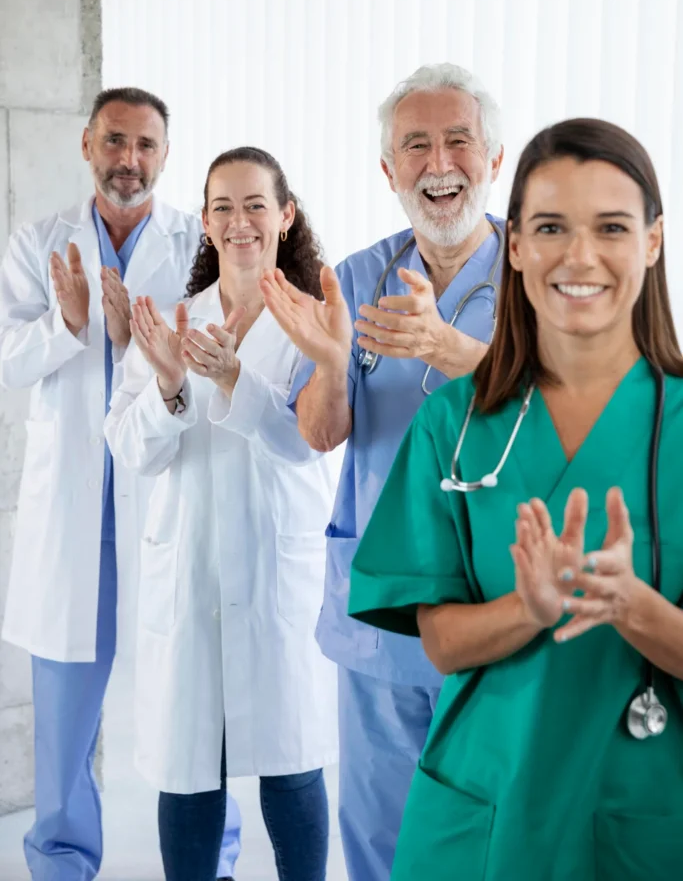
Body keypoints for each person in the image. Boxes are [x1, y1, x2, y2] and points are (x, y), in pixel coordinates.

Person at [349, 118, 683, 880]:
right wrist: (528, 610)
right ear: (516, 248)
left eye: (610, 227)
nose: (579, 256)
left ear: (651, 242)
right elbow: (439, 641)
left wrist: (631, 606)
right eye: (550, 227)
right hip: (486, 800)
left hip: (643, 799)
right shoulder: (453, 422)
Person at [259, 63, 505, 879]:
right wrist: (332, 365)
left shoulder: (539, 272)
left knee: (494, 830)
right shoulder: (356, 278)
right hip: (382, 607)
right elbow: (319, 433)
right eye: (415, 146)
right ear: (387, 169)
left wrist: (451, 348)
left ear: (493, 159)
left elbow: (578, 408)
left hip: (501, 599)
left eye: (458, 141)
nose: (439, 163)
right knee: (377, 835)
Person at [0, 87, 241, 881]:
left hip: (168, 496)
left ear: (164, 155)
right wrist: (69, 324)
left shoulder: (195, 243)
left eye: (144, 145)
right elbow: (8, 360)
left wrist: (131, 340)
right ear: (86, 145)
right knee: (64, 718)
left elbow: (216, 359)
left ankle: (213, 855)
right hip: (74, 515)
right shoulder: (38, 244)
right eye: (114, 141)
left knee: (196, 702)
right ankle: (61, 860)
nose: (128, 160)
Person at [104, 146, 338, 881]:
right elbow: (129, 448)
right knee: (189, 769)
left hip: (276, 575)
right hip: (189, 577)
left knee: (292, 765)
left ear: (285, 215)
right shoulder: (170, 320)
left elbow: (308, 442)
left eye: (255, 204)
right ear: (204, 221)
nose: (240, 221)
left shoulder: (313, 319)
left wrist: (236, 378)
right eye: (223, 207)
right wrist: (169, 386)